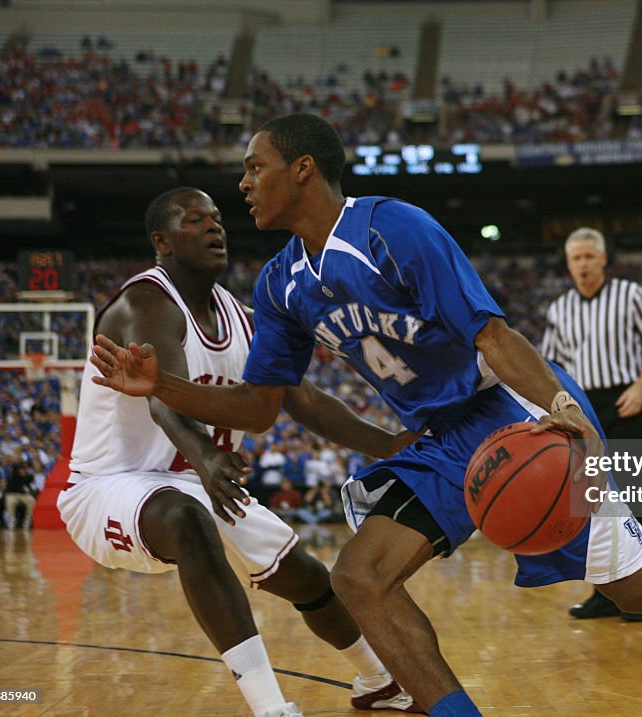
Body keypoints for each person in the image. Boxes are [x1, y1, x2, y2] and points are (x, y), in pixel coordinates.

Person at [89, 113, 642, 717]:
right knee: (361, 579)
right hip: (438, 443)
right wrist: (162, 387)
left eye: (255, 169)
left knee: (637, 585)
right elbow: (262, 408)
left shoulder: (394, 228)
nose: (244, 186)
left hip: (509, 416)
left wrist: (571, 415)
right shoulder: (280, 284)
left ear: (303, 170)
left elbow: (492, 336)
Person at [57, 187, 421, 716]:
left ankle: (379, 681)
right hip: (107, 488)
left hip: (199, 481)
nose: (214, 227)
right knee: (187, 519)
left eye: (217, 218)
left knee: (307, 577)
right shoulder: (144, 304)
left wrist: (386, 443)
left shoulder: (245, 318)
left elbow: (304, 400)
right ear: (162, 241)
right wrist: (204, 454)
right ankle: (271, 708)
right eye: (195, 219)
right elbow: (163, 399)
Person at [541, 226, 642, 622]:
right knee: (592, 501)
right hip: (584, 407)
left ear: (603, 259)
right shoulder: (559, 308)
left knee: (636, 497)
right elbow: (550, 366)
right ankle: (605, 592)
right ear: (568, 263)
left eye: (588, 257)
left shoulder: (630, 295)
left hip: (625, 400)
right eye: (576, 258)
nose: (582, 264)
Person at [1, 460, 37, 529]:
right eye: (21, 470)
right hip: (12, 494)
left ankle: (28, 519)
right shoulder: (12, 477)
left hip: (22, 495)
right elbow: (9, 490)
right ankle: (12, 519)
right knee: (11, 501)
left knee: (31, 500)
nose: (23, 471)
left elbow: (30, 483)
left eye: (24, 470)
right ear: (17, 470)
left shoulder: (26, 477)